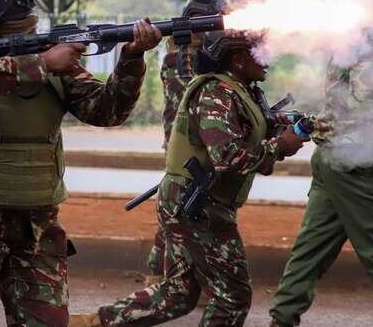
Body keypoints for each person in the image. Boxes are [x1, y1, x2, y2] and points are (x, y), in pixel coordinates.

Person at [0, 0, 161, 327]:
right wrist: (43, 63)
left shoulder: (56, 61)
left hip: (35, 227)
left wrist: (131, 58)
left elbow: (106, 111)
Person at [72, 30, 308, 327]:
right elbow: (228, 157)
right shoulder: (216, 93)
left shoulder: (242, 90)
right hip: (197, 205)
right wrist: (280, 145)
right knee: (232, 297)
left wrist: (283, 129)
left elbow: (248, 133)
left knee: (177, 295)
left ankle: (91, 322)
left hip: (195, 202)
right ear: (237, 60)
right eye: (260, 54)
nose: (268, 61)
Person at [269, 45, 373, 327]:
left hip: (333, 157)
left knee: (311, 250)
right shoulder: (366, 49)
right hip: (353, 164)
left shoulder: (351, 42)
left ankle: (282, 318)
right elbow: (362, 107)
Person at [145, 0, 231, 286]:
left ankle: (159, 273)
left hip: (185, 140)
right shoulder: (185, 58)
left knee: (180, 207)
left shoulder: (185, 52)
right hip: (187, 143)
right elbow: (201, 93)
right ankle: (169, 276)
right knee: (188, 208)